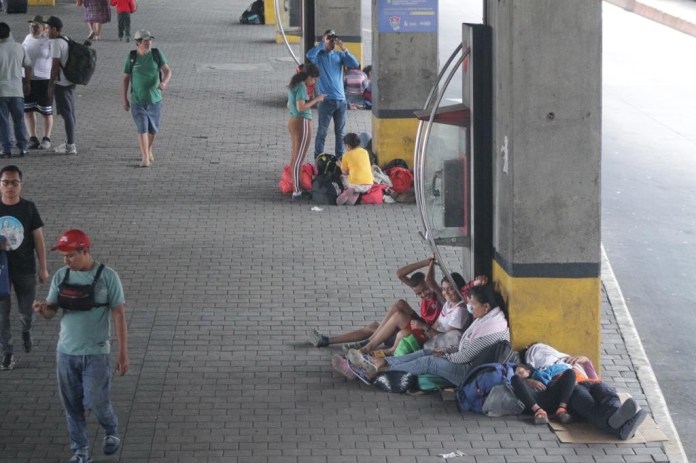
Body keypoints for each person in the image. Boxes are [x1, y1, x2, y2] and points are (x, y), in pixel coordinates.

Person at [33, 229, 129, 463]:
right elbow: (52, 310)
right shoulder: (61, 276)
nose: (65, 261)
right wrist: (44, 310)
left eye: (70, 256)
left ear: (85, 251)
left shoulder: (108, 277)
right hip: (66, 353)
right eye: (63, 256)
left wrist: (123, 353)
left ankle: (110, 430)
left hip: (96, 353)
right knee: (72, 405)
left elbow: (118, 314)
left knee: (97, 401)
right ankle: (80, 451)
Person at [346, 284, 510, 386]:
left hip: (467, 373)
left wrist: (444, 355)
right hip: (464, 361)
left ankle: (379, 369)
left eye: (473, 306)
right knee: (426, 352)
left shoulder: (492, 330)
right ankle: (382, 362)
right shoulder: (487, 319)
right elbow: (462, 348)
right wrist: (444, 351)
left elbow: (463, 357)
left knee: (430, 361)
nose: (470, 310)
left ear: (486, 306)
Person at [523, 342, 650, 440]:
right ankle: (622, 426)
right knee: (589, 406)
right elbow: (529, 380)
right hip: (572, 387)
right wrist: (529, 380)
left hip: (592, 382)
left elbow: (593, 376)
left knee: (608, 393)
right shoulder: (540, 372)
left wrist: (586, 362)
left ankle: (619, 419)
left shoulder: (570, 360)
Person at [310, 258, 442, 353]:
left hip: (425, 332)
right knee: (378, 323)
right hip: (418, 324)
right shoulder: (423, 293)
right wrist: (425, 261)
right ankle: (327, 340)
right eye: (419, 294)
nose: (424, 295)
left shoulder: (439, 295)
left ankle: (368, 345)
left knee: (398, 315)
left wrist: (432, 263)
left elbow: (430, 281)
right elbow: (400, 274)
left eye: (425, 290)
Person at [0, 165, 49, 370]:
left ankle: (25, 330)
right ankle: (7, 352)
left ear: (21, 185)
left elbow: (38, 238)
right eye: (5, 183)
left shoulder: (28, 208)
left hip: (25, 268)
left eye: (14, 183)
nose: (10, 187)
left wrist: (43, 268)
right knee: (2, 314)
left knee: (26, 312)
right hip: (2, 271)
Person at [306, 29, 360, 158]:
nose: (332, 42)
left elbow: (355, 64)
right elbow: (309, 55)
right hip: (326, 100)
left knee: (340, 133)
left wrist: (343, 48)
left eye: (334, 39)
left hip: (341, 101)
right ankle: (318, 158)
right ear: (325, 40)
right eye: (329, 39)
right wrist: (321, 43)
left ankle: (339, 159)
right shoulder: (319, 56)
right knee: (322, 132)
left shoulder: (339, 56)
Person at [122, 30, 172, 167]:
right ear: (138, 42)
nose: (148, 42)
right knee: (142, 128)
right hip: (137, 100)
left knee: (153, 130)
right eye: (145, 40)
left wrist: (164, 83)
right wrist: (124, 98)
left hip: (155, 100)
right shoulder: (132, 57)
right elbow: (126, 78)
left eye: (150, 39)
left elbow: (168, 71)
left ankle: (149, 148)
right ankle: (145, 157)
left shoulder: (156, 54)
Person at [286, 63, 323, 199]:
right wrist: (317, 99)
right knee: (298, 158)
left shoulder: (294, 84)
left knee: (295, 156)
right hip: (302, 122)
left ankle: (296, 186)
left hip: (293, 120)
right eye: (314, 80)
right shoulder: (301, 86)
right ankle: (297, 191)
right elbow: (301, 107)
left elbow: (289, 104)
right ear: (309, 77)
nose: (313, 82)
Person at [46, 16, 78, 156]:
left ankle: (70, 146)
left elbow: (54, 66)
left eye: (48, 28)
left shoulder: (56, 43)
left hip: (62, 82)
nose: (46, 31)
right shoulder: (66, 39)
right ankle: (70, 142)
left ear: (54, 29)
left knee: (66, 114)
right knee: (70, 112)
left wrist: (50, 85)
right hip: (70, 81)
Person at [0, 22, 31, 159]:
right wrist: (27, 83)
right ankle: (23, 148)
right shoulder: (19, 47)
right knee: (19, 120)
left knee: (3, 122)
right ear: (9, 32)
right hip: (17, 91)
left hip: (1, 92)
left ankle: (6, 149)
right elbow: (28, 65)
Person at [23, 16, 53, 151]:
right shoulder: (27, 39)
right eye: (32, 26)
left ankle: (46, 138)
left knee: (46, 111)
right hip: (28, 80)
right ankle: (32, 138)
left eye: (36, 26)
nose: (33, 28)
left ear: (43, 28)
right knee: (28, 110)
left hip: (44, 80)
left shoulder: (49, 40)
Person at [511, 364, 576, 425]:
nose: (518, 374)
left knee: (571, 372)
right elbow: (514, 381)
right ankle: (539, 412)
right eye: (516, 373)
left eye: (520, 372)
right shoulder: (519, 380)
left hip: (551, 395)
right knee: (514, 378)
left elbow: (560, 370)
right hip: (533, 402)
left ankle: (561, 410)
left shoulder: (541, 372)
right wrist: (526, 381)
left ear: (528, 371)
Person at [335, 132, 374, 205]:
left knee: (342, 177)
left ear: (347, 145)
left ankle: (349, 191)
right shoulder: (365, 151)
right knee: (357, 188)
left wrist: (340, 164)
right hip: (369, 183)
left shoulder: (346, 155)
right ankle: (355, 194)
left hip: (354, 183)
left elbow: (344, 172)